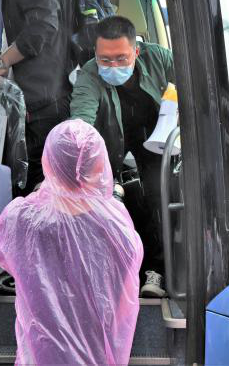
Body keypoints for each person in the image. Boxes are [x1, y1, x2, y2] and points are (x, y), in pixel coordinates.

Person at [0, 119, 143, 365]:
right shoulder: (117, 227)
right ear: (100, 165)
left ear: (49, 162)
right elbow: (122, 308)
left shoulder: (21, 218)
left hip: (40, 357)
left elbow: (0, 250)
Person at [70, 15, 174, 297]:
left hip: (154, 138)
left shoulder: (160, 59)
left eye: (121, 58)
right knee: (106, 204)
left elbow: (195, 93)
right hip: (109, 141)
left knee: (158, 195)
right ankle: (111, 278)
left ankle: (157, 271)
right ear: (95, 54)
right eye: (105, 59)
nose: (113, 66)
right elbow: (81, 120)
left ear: (136, 51)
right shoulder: (89, 75)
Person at [0, 0, 75, 195]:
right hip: (51, 94)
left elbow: (41, 28)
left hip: (44, 100)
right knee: (44, 181)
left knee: (35, 186)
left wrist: (2, 62)